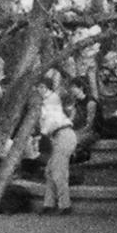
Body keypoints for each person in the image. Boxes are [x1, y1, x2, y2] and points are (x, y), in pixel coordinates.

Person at [34, 69, 79, 214]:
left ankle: (65, 205)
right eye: (38, 87)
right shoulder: (45, 101)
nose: (40, 89)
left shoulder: (52, 99)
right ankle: (49, 204)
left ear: (48, 88)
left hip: (64, 134)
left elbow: (50, 122)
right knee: (49, 171)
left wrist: (42, 134)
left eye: (42, 87)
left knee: (59, 172)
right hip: (57, 136)